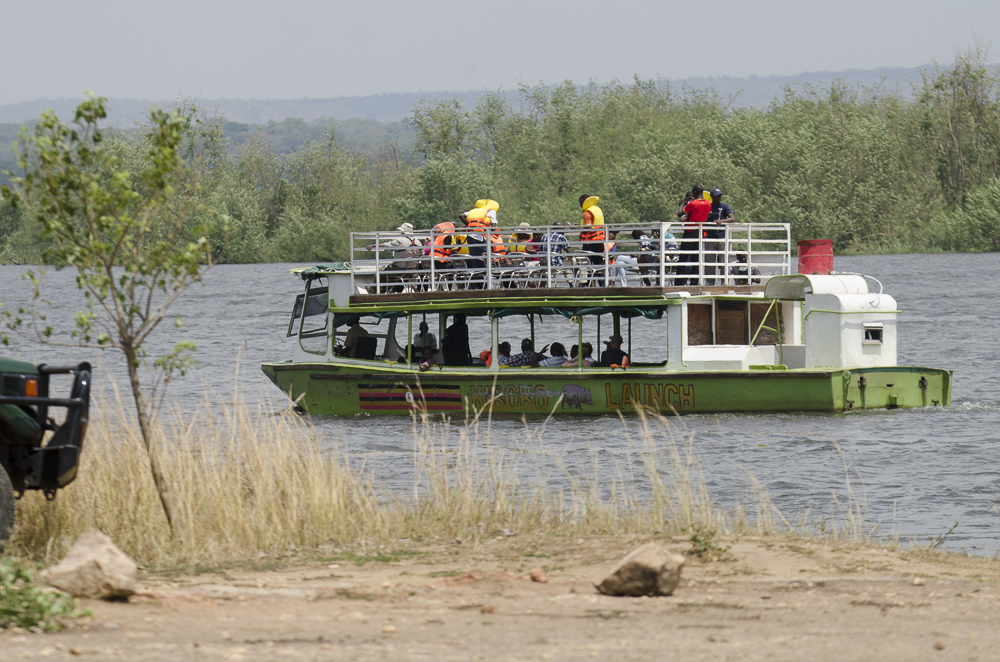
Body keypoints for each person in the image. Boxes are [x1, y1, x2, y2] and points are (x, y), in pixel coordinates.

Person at [676, 185, 712, 286]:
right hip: (701, 233)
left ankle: (678, 283)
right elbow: (708, 214)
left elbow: (679, 214)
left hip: (690, 232)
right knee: (696, 259)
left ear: (695, 192)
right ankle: (694, 283)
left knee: (683, 257)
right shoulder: (708, 203)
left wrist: (682, 204)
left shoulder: (693, 203)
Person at [704, 188, 735, 285]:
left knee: (723, 260)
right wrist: (708, 217)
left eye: (720, 195)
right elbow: (703, 220)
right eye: (717, 196)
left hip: (722, 236)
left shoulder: (724, 206)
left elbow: (732, 218)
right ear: (712, 197)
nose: (719, 197)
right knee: (709, 261)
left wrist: (722, 221)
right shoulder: (708, 207)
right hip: (710, 237)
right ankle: (710, 282)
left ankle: (724, 282)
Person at [579, 194, 607, 266]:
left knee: (589, 263)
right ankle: (602, 276)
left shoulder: (587, 213)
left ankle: (591, 277)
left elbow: (588, 228)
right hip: (600, 241)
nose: (580, 205)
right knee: (599, 262)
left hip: (590, 243)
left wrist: (577, 228)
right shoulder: (597, 209)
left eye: (580, 203)